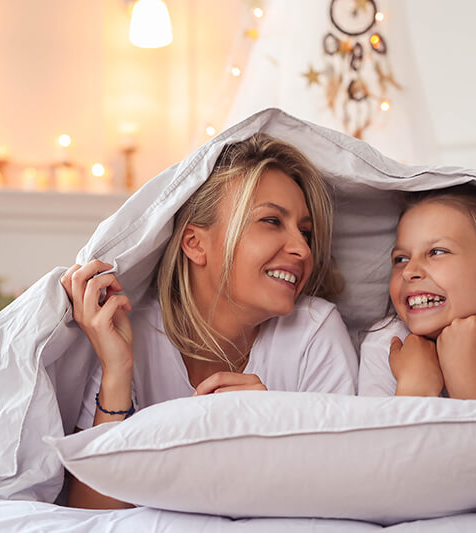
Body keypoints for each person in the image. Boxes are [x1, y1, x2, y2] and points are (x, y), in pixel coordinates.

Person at [62, 134, 358, 509]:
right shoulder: (127, 333)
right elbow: (89, 515)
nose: (302, 249)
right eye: (271, 221)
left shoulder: (314, 332)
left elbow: (343, 502)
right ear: (194, 243)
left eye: (306, 232)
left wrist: (272, 428)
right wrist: (117, 374)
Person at [358, 184, 476, 400]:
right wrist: (414, 388)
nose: (408, 271)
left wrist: (466, 381)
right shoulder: (385, 347)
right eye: (401, 259)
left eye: (437, 252)